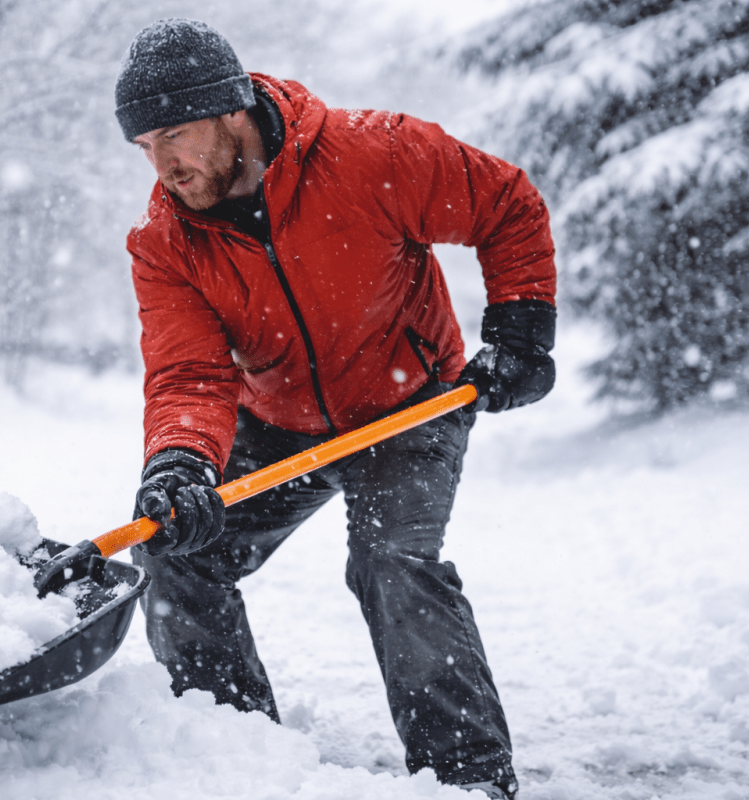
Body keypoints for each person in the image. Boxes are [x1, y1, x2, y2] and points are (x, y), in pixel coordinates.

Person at [115, 18, 556, 800]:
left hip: (410, 406)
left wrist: (520, 330)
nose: (164, 166)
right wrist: (181, 461)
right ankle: (235, 759)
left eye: (174, 136)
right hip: (280, 420)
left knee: (391, 564)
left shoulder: (374, 154)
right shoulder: (166, 242)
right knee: (176, 546)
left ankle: (469, 780)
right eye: (145, 146)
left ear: (229, 110)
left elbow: (506, 205)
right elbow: (188, 375)